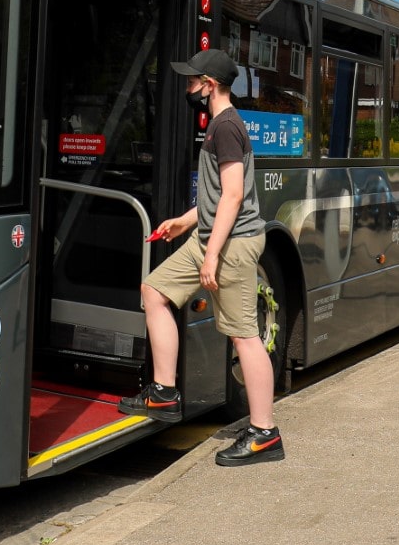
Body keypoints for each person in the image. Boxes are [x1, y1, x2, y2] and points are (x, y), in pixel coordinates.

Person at [119, 48, 282, 466]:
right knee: (154, 291)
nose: (187, 85)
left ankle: (265, 433)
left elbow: (233, 195)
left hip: (233, 244)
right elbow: (217, 198)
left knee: (244, 334)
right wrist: (185, 221)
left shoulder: (226, 127)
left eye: (193, 80)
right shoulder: (218, 126)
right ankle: (164, 393)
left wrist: (211, 255)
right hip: (210, 236)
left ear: (209, 86)